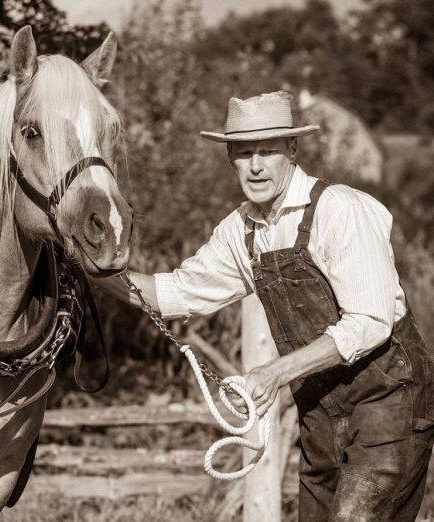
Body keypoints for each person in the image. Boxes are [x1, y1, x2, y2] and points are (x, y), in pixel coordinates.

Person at [96, 91, 434, 520]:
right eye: (243, 153)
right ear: (230, 159)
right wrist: (88, 269)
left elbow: (370, 322)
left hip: (389, 407)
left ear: (292, 149)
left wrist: (275, 373)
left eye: (267, 151)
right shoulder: (241, 230)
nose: (255, 166)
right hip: (321, 419)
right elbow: (175, 293)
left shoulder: (340, 209)